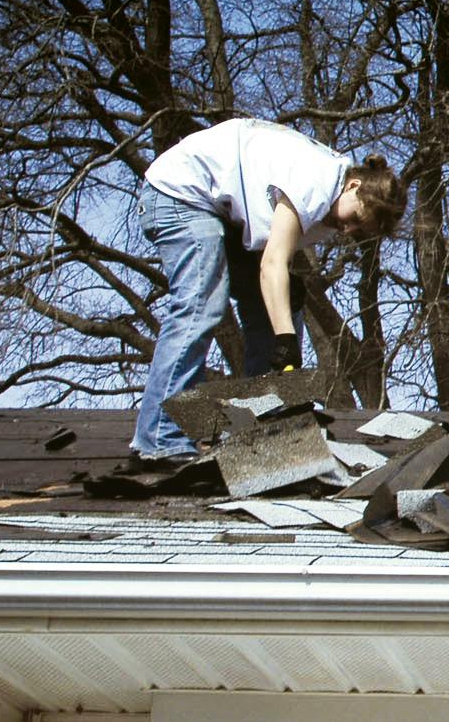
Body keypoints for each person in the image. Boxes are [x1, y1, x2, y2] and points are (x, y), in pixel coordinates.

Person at [127, 118, 408, 469]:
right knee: (201, 305)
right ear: (353, 185)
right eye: (354, 218)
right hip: (178, 194)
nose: (347, 229)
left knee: (285, 299)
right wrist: (286, 342)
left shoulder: (329, 203)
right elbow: (271, 264)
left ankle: (258, 429)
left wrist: (283, 333)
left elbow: (271, 265)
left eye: (357, 230)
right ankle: (159, 439)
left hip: (221, 213)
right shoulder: (317, 183)